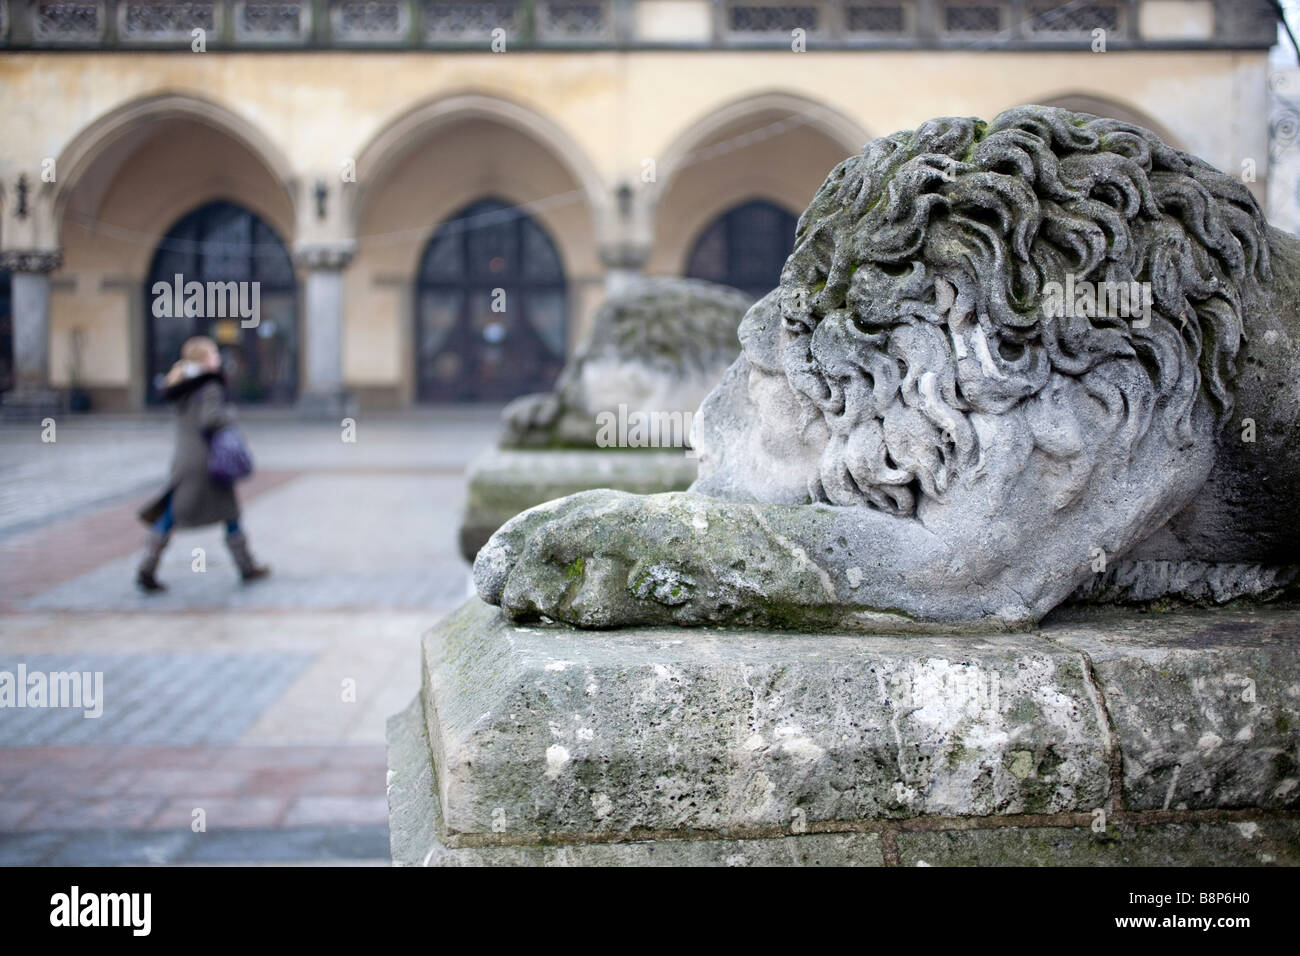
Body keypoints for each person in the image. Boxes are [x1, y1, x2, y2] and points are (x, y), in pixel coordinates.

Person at [136, 336, 269, 591]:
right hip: (208, 462)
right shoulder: (209, 385)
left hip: (185, 461)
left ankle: (148, 566)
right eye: (214, 355)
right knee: (229, 513)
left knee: (172, 513)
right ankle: (247, 566)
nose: (218, 359)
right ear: (203, 360)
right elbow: (211, 419)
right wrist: (231, 415)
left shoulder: (180, 384)